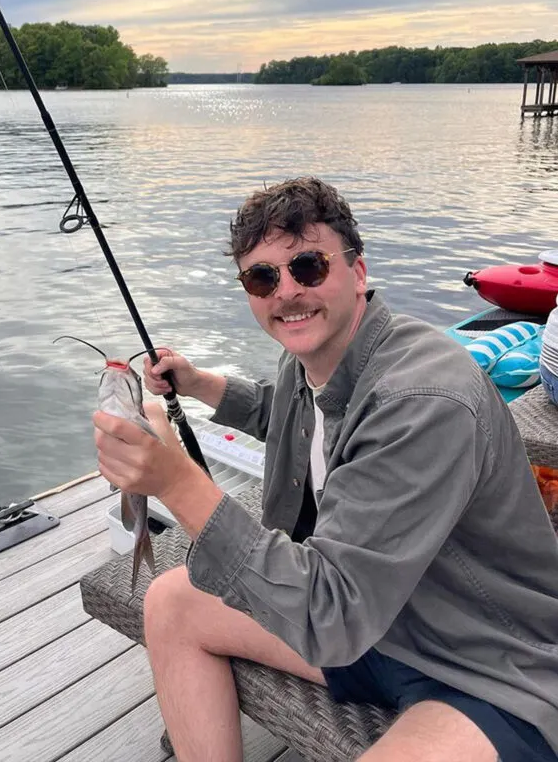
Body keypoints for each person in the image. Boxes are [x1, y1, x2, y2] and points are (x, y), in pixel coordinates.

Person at [92, 177, 558, 762]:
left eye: (308, 267)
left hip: (486, 663)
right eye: (262, 277)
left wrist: (175, 481)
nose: (286, 292)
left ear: (358, 272)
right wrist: (200, 383)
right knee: (172, 602)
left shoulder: (425, 397)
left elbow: (329, 615)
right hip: (382, 629)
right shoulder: (309, 358)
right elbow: (285, 411)